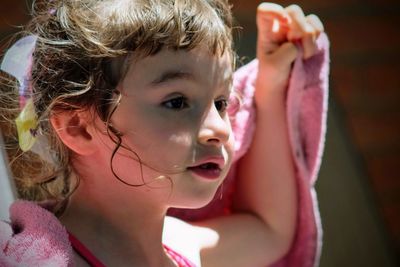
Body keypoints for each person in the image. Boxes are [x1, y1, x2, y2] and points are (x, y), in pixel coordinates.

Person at [0, 0, 329, 266]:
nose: (219, 129)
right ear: (79, 128)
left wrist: (270, 88)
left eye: (222, 102)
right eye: (177, 102)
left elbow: (269, 231)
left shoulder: (182, 246)